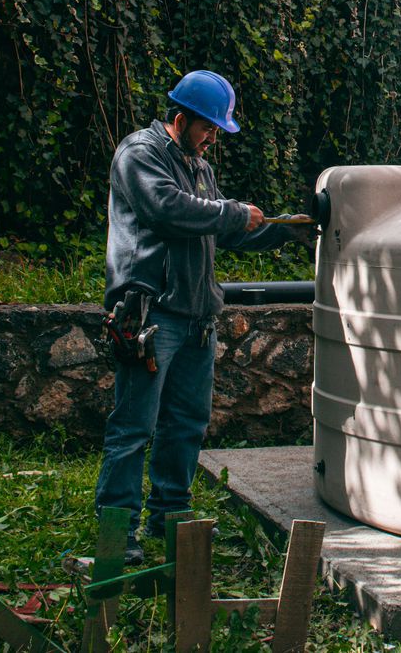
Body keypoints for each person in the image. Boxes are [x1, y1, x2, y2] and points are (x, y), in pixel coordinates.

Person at [95, 69, 303, 563]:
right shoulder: (139, 154)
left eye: (216, 130)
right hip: (150, 317)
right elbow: (168, 211)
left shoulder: (198, 166)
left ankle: (170, 521)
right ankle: (117, 536)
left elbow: (222, 230)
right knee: (133, 427)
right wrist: (233, 211)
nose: (212, 139)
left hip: (196, 319)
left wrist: (284, 228)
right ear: (180, 117)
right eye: (207, 128)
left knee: (186, 425)